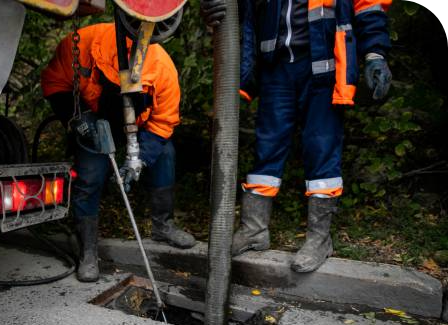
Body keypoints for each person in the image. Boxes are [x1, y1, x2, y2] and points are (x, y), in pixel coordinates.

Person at [201, 0, 392, 272]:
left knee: (321, 147)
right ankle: (254, 229)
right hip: (276, 68)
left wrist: (375, 54)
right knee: (267, 146)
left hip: (323, 68)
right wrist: (213, 9)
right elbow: (242, 10)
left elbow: (368, 8)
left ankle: (319, 239)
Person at [41, 23, 196, 282]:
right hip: (96, 122)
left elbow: (164, 122)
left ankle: (163, 226)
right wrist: (76, 117)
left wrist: (140, 159)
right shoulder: (83, 43)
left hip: (141, 127)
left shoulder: (163, 69)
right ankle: (88, 250)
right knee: (89, 176)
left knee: (165, 154)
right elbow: (54, 81)